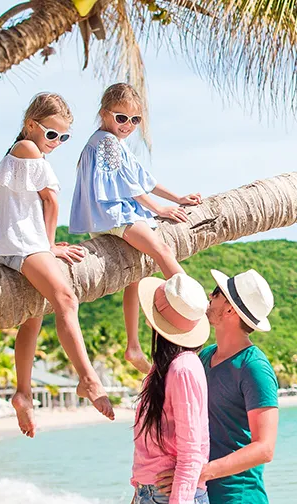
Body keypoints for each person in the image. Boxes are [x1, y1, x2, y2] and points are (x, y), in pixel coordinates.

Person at [0, 92, 113, 438]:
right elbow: (51, 201)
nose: (56, 143)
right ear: (31, 125)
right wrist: (50, 245)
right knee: (66, 300)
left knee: (33, 317)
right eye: (52, 134)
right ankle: (87, 377)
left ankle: (23, 393)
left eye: (63, 137)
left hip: (13, 243)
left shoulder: (23, 152)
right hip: (24, 243)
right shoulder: (28, 150)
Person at [69, 83, 202, 375]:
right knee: (162, 251)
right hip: (115, 214)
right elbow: (130, 187)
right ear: (104, 114)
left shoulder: (112, 142)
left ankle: (133, 346)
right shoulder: (105, 142)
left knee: (135, 275)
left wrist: (177, 198)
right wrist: (159, 208)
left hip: (107, 217)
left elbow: (144, 179)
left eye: (135, 120)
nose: (127, 125)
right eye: (121, 118)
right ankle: (196, 313)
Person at [157, 269, 279, 504]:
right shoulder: (205, 356)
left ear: (230, 309)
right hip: (199, 493)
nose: (209, 297)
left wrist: (199, 472)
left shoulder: (255, 368)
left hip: (238, 497)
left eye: (215, 293)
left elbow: (265, 448)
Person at [130, 273, 212, 504]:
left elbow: (191, 450)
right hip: (153, 493)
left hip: (170, 496)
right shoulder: (164, 368)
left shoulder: (183, 368)